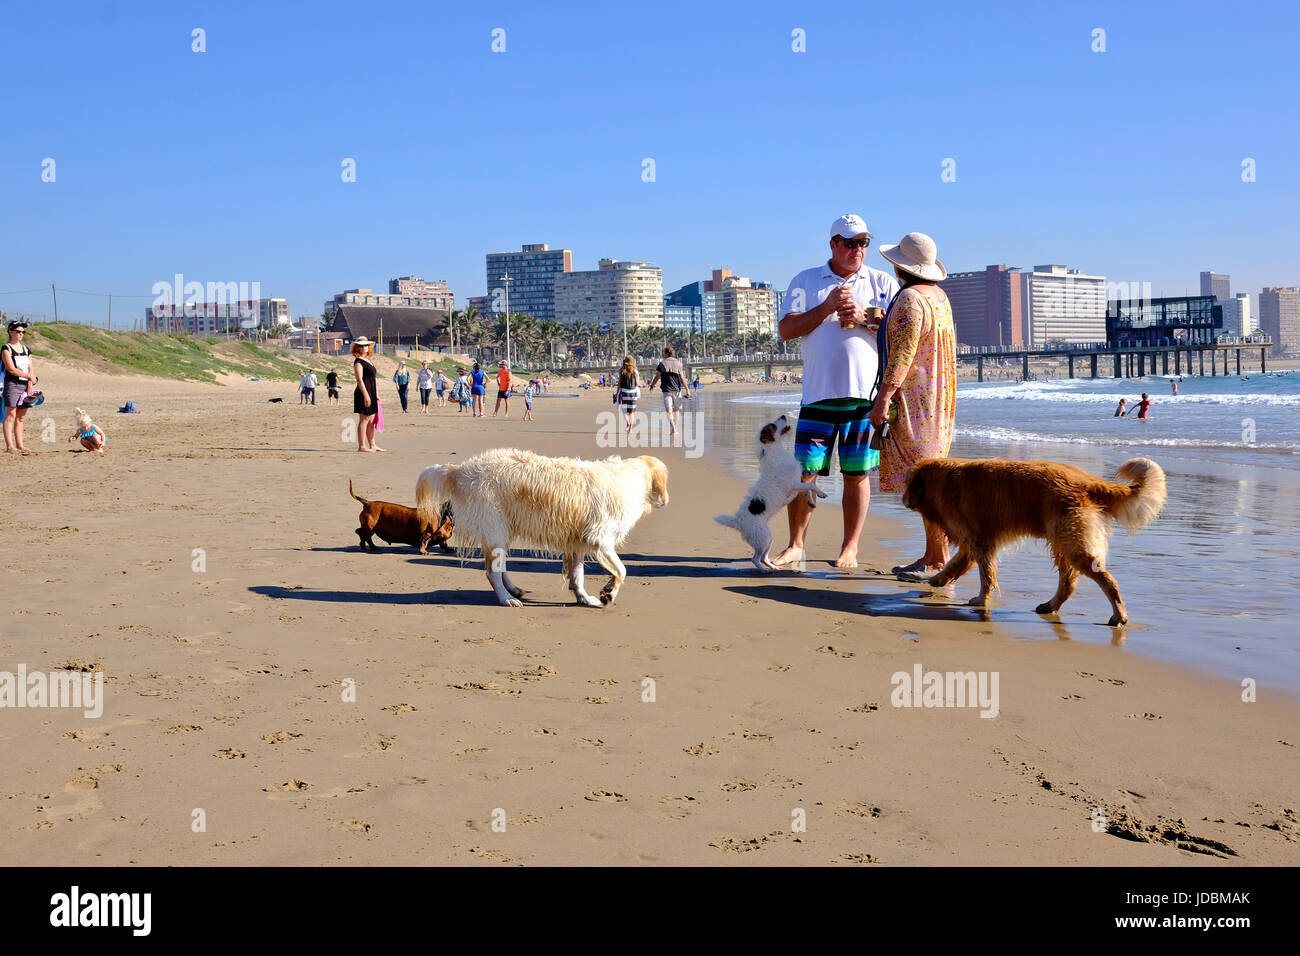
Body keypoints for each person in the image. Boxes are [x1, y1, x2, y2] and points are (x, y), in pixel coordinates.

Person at [772, 214, 900, 570]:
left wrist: (863, 317)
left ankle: (850, 548)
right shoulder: (805, 280)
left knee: (857, 474)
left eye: (863, 242)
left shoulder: (882, 282)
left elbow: (898, 335)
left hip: (864, 397)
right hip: (817, 395)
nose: (857, 249)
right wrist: (826, 306)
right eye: (849, 242)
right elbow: (785, 330)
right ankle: (795, 545)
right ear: (833, 244)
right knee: (804, 474)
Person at [866, 232, 957, 579]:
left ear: (900, 268)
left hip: (915, 402)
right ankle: (936, 554)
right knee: (932, 480)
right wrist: (880, 323)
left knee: (924, 484)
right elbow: (923, 342)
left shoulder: (907, 300)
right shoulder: (939, 296)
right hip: (940, 401)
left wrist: (882, 399)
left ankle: (936, 559)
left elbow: (902, 356)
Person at [2, 319, 37, 454]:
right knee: (10, 414)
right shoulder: (6, 348)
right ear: (11, 332)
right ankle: (9, 446)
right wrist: (28, 376)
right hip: (12, 384)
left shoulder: (26, 349)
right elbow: (11, 369)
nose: (21, 334)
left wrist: (30, 383)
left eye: (23, 331)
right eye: (18, 331)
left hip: (25, 385)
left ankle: (20, 444)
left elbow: (31, 368)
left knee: (21, 416)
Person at [648, 346, 691, 435]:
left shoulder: (662, 363)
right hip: (677, 390)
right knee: (676, 410)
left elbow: (657, 376)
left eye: (665, 353)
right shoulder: (679, 363)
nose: (664, 355)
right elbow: (683, 378)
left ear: (667, 353)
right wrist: (687, 390)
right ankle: (674, 428)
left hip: (666, 390)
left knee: (669, 411)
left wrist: (652, 385)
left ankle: (673, 429)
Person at [351, 337, 383, 452]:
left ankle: (373, 445)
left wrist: (376, 394)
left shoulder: (368, 360)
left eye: (365, 345)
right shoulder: (358, 362)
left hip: (372, 392)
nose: (364, 347)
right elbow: (360, 380)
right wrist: (366, 395)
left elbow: (371, 379)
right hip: (363, 393)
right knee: (364, 420)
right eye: (361, 345)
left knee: (371, 421)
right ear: (357, 347)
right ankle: (362, 446)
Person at [616, 355, 641, 433]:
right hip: (633, 393)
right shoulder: (635, 371)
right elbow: (637, 383)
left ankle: (628, 423)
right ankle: (631, 428)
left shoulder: (621, 370)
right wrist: (641, 385)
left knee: (625, 411)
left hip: (624, 392)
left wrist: (617, 393)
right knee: (631, 412)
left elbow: (619, 383)